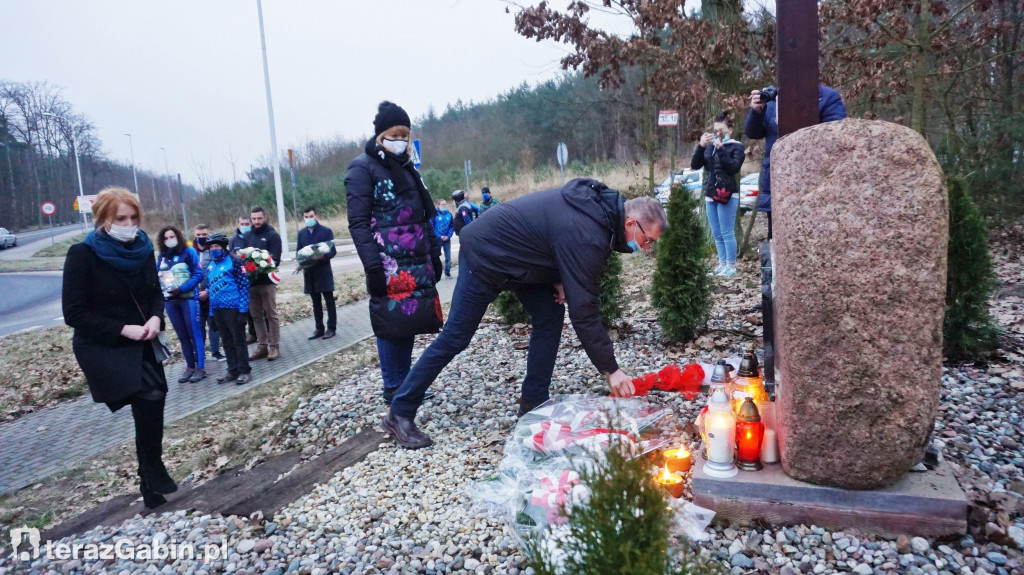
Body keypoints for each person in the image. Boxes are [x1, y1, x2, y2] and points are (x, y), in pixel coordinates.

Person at [383, 179, 667, 449]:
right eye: (647, 240)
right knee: (456, 337)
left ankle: (533, 402)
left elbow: (553, 239)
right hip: (486, 254)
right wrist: (611, 369)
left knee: (550, 316)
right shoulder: (591, 231)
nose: (645, 248)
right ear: (630, 223)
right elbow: (584, 312)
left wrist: (559, 277)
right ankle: (400, 412)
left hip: (518, 261)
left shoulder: (600, 214)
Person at [62, 187, 178, 508]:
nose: (129, 224)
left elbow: (155, 293)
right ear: (103, 220)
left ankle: (149, 479)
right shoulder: (82, 254)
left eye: (133, 217)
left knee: (154, 399)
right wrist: (121, 329)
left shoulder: (142, 249)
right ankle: (152, 471)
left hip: (142, 339)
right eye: (120, 218)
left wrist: (156, 318)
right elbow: (74, 313)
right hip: (104, 345)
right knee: (147, 396)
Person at [345, 100, 444, 406]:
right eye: (394, 134)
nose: (400, 140)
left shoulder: (407, 168)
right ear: (380, 136)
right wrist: (373, 265)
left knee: (409, 319)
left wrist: (435, 252)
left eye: (405, 134)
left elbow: (422, 215)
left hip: (415, 259)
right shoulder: (361, 168)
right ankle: (393, 387)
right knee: (390, 323)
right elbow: (358, 222)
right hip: (387, 263)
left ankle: (406, 384)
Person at [745, 84, 847, 238]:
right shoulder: (773, 98)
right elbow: (753, 132)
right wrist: (756, 111)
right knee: (777, 242)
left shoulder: (827, 97)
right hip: (777, 183)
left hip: (813, 185)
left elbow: (836, 137)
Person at [692, 111, 746, 277]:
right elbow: (695, 165)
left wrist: (721, 149)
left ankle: (731, 265)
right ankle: (722, 264)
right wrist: (701, 145)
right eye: (715, 130)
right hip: (710, 193)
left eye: (721, 130)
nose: (717, 134)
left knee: (727, 231)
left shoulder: (736, 146)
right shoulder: (709, 147)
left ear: (730, 130)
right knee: (716, 232)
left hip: (727, 193)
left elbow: (733, 167)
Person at [156, 225, 207, 382]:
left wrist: (182, 288)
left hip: (189, 298)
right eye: (166, 238)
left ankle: (200, 368)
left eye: (172, 237)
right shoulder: (162, 256)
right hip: (170, 301)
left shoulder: (189, 252)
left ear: (178, 236)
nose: (169, 240)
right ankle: (189, 367)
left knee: (194, 334)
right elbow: (158, 276)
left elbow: (198, 274)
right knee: (182, 335)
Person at [204, 232, 252, 385]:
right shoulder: (211, 265)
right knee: (226, 342)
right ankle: (232, 370)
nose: (214, 249)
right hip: (218, 310)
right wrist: (211, 314)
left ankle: (244, 370)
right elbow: (211, 290)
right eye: (211, 247)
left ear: (224, 247)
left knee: (239, 341)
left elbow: (244, 286)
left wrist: (243, 311)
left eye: (217, 246)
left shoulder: (235, 261)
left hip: (234, 309)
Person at [244, 206, 283, 361]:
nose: (256, 221)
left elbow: (275, 259)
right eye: (253, 219)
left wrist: (260, 266)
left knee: (271, 314)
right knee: (256, 316)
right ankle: (262, 347)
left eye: (259, 218)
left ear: (265, 217)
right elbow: (243, 257)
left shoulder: (272, 235)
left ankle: (274, 346)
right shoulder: (248, 236)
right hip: (252, 283)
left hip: (267, 282)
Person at [295, 205, 338, 339]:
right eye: (306, 217)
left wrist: (323, 256)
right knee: (316, 302)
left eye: (311, 216)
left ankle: (331, 328)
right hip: (309, 273)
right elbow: (299, 251)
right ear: (303, 217)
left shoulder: (325, 231)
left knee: (329, 300)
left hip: (323, 271)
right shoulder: (301, 233)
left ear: (316, 216)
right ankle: (319, 328)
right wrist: (299, 263)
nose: (309, 219)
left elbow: (333, 251)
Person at [192, 224, 224, 361]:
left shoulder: (212, 252)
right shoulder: (189, 252)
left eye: (204, 235)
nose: (201, 238)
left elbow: (219, 273)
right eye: (198, 235)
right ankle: (200, 353)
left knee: (214, 325)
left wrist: (208, 291)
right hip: (194, 296)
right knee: (198, 326)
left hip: (211, 294)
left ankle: (216, 352)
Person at [230, 215, 258, 344]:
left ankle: (265, 332)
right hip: (241, 280)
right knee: (247, 308)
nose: (245, 226)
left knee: (260, 308)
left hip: (256, 277)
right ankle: (252, 333)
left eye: (247, 224)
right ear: (238, 225)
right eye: (242, 224)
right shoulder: (233, 240)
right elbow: (230, 257)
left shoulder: (254, 237)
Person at [432, 198, 455, 279]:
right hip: (438, 240)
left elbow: (452, 227)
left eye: (445, 204)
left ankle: (447, 273)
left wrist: (448, 236)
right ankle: (436, 274)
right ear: (439, 205)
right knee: (436, 257)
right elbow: (432, 227)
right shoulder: (434, 215)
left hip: (447, 240)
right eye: (443, 204)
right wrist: (439, 236)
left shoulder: (449, 215)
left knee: (448, 257)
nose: (444, 206)